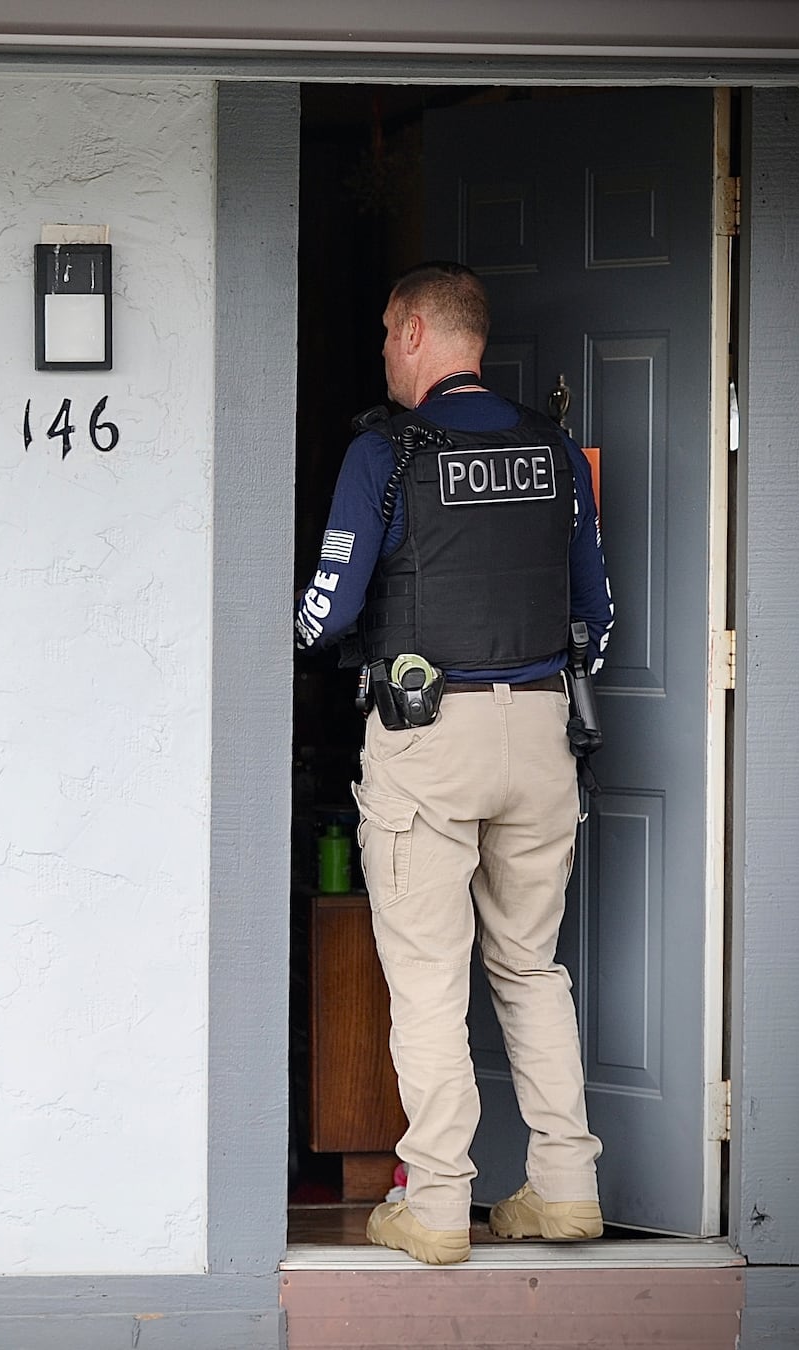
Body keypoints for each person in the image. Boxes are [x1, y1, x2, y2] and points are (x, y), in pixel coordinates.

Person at [295, 261, 614, 1266]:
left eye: (390, 332)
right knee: (528, 967)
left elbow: (329, 610)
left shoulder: (383, 452)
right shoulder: (553, 447)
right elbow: (594, 618)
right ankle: (563, 1187)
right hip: (542, 734)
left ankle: (434, 1204)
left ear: (422, 331)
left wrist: (294, 644)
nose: (384, 351)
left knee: (428, 979)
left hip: (428, 730)